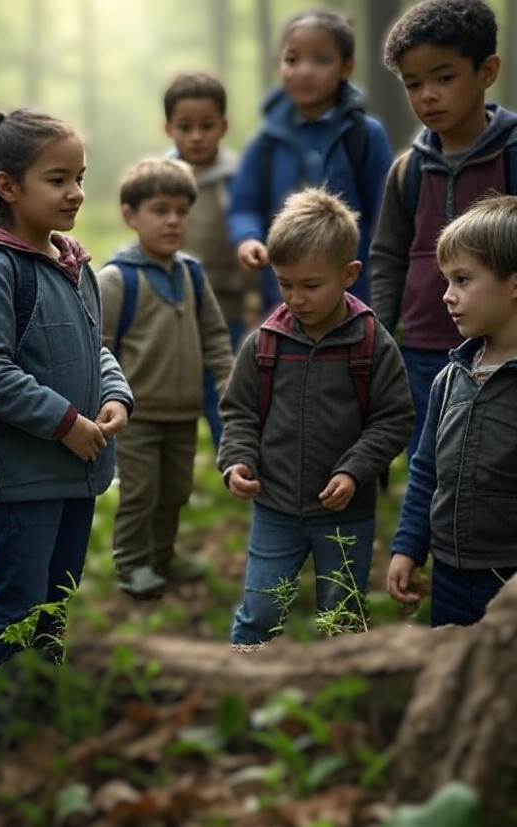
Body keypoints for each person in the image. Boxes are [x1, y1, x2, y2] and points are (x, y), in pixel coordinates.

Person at [0, 108, 133, 732]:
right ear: (8, 187)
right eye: (58, 180)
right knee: (18, 606)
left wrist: (115, 397)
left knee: (57, 603)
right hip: (24, 479)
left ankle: (41, 716)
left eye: (79, 177)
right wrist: (65, 422)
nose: (76, 193)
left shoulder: (75, 262)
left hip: (77, 474)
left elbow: (97, 346)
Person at [218, 188, 413, 648]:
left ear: (349, 274)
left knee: (341, 613)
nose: (296, 298)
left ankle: (338, 700)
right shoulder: (265, 341)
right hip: (276, 508)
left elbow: (394, 417)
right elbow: (240, 411)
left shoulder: (371, 343)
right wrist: (237, 461)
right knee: (261, 609)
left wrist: (354, 470)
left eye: (310, 286)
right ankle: (246, 677)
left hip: (346, 512)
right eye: (285, 284)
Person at [370, 0, 517, 460]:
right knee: (429, 463)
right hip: (422, 349)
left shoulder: (511, 156)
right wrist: (379, 334)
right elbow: (389, 256)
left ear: (487, 70)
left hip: (503, 351)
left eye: (444, 77)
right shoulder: (407, 171)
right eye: (414, 84)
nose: (428, 95)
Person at [98, 158, 234, 599]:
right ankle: (132, 564)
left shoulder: (192, 273)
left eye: (181, 211)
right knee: (141, 493)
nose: (173, 221)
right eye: (160, 210)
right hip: (136, 415)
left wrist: (227, 388)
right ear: (131, 214)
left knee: (176, 490)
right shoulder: (117, 279)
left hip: (183, 412)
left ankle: (162, 556)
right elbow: (97, 345)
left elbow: (214, 335)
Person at [388, 194, 517, 627]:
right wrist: (409, 548)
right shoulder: (450, 377)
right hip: (448, 573)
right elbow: (425, 471)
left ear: (514, 283)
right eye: (446, 281)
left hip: (507, 579)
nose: (447, 296)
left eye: (462, 280)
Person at [227, 9, 392, 311]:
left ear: (347, 67)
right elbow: (244, 205)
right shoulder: (266, 141)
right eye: (293, 59)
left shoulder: (364, 136)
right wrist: (248, 238)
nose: (304, 71)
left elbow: (385, 218)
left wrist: (384, 292)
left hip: (353, 300)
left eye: (320, 60)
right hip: (283, 299)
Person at [164, 71, 253, 452]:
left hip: (228, 309)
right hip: (173, 312)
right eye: (186, 127)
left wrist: (253, 303)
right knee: (175, 394)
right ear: (169, 128)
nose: (196, 136)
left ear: (223, 126)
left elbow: (251, 244)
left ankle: (235, 463)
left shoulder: (239, 178)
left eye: (206, 126)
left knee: (227, 391)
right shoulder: (161, 178)